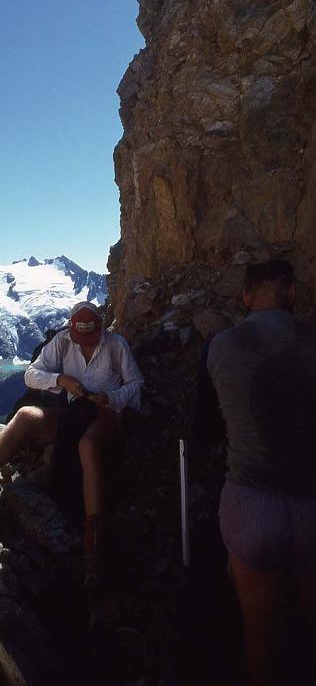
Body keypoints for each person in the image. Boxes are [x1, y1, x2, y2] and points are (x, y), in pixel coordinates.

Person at [0, 301, 144, 569]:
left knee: (88, 445)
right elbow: (31, 375)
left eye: (91, 338)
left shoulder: (116, 344)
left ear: (100, 330)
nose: (86, 343)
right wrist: (60, 380)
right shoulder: (63, 341)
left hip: (106, 413)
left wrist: (110, 397)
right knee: (27, 416)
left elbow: (136, 384)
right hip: (74, 413)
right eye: (81, 338)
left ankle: (93, 542)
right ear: (72, 331)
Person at [197, 259, 316, 686]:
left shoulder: (220, 345)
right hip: (311, 501)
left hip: (251, 502)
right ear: (292, 293)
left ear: (246, 295)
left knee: (262, 639)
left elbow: (204, 430)